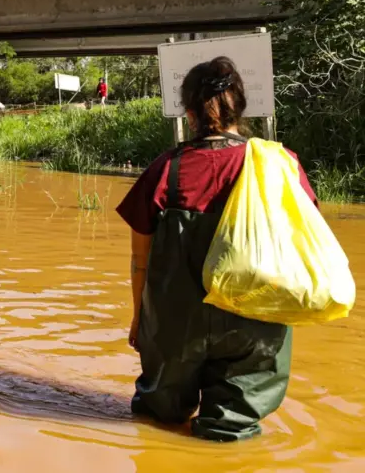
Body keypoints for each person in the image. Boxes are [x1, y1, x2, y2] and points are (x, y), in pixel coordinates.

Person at [115, 56, 319, 442]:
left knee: (160, 418)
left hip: (177, 325)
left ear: (190, 113)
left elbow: (140, 261)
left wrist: (140, 317)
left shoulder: (167, 169)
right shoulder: (280, 164)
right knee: (233, 430)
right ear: (241, 106)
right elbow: (305, 240)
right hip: (256, 319)